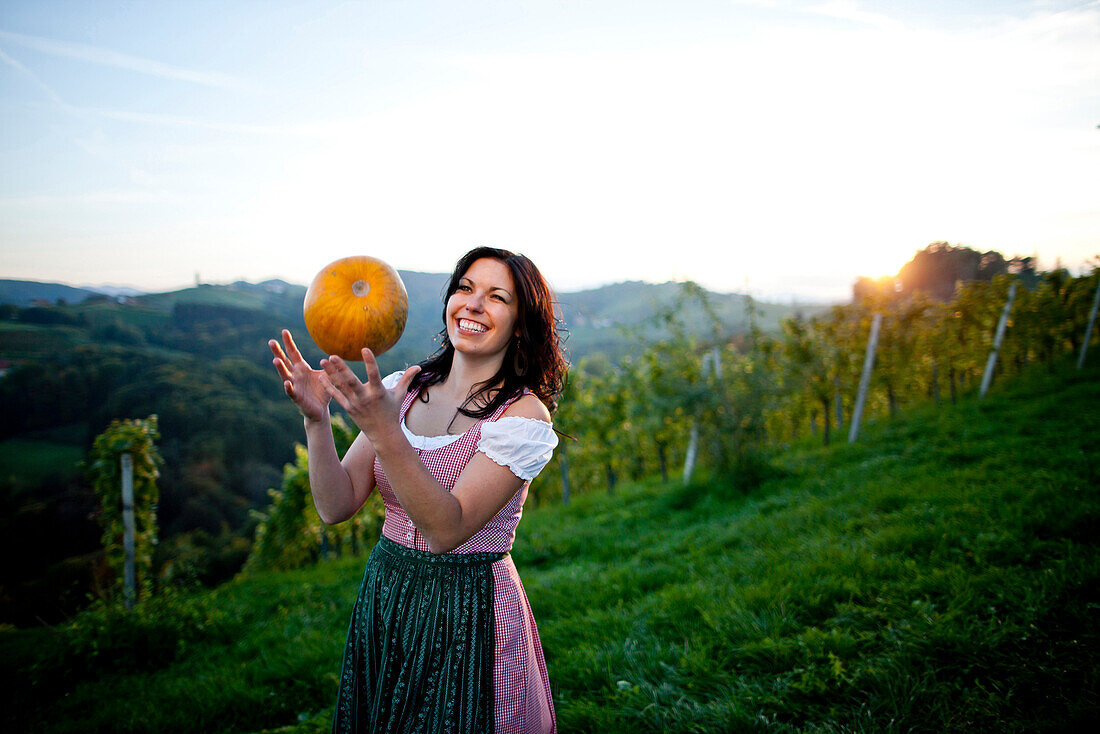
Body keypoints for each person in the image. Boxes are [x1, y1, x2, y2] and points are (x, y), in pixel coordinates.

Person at [269, 246, 567, 734]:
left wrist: (385, 431)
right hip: (388, 592)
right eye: (465, 288)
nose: (472, 304)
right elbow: (336, 504)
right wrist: (315, 420)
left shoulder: (522, 417)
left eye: (497, 297)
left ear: (521, 325)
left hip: (469, 607)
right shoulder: (403, 389)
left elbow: (447, 529)